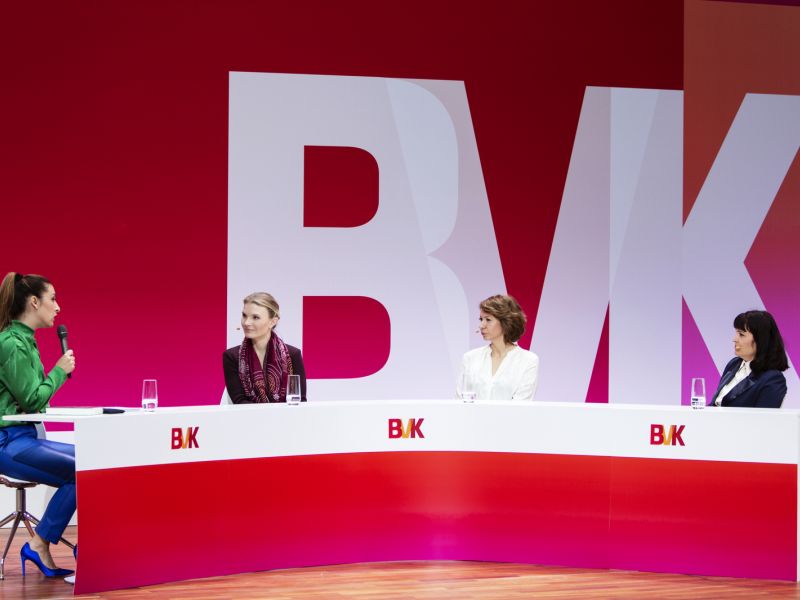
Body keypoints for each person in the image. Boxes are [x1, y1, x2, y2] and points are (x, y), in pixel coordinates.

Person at [0, 272, 76, 577]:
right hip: (8, 442)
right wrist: (58, 372)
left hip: (25, 436)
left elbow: (32, 400)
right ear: (34, 302)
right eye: (52, 299)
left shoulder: (25, 341)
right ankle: (39, 544)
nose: (58, 307)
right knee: (81, 470)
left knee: (94, 463)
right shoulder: (11, 344)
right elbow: (33, 400)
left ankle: (53, 544)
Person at [223, 292, 307, 403]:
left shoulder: (293, 354)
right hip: (248, 415)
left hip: (287, 415)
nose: (246, 322)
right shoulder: (231, 356)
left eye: (255, 317)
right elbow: (240, 402)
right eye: (244, 315)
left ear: (272, 322)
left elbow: (300, 401)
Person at [459, 294, 539, 401]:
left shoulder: (528, 360)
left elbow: (521, 404)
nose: (481, 325)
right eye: (481, 319)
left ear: (505, 322)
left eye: (488, 320)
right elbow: (460, 399)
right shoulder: (470, 358)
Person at [710, 310, 789, 408]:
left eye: (741, 334)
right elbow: (715, 404)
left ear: (760, 340)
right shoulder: (733, 364)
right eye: (736, 333)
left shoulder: (772, 379)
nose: (734, 339)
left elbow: (764, 416)